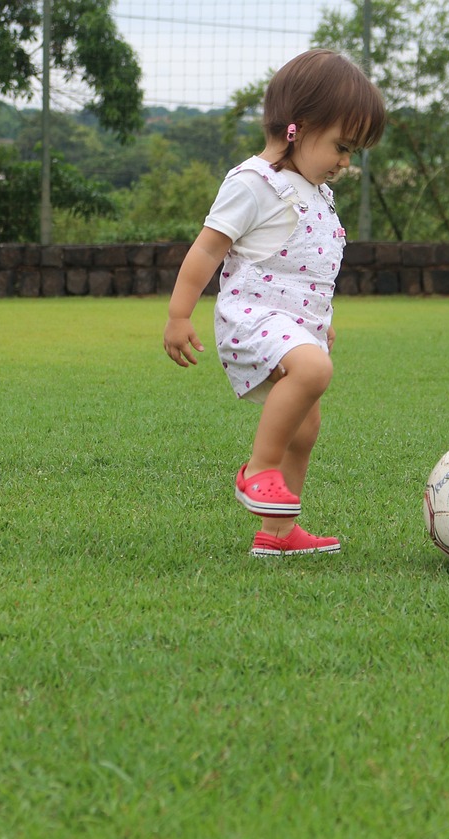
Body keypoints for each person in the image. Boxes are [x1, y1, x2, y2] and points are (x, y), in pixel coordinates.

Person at [163, 49, 386, 557]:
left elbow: (308, 266)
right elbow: (207, 250)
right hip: (252, 317)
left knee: (307, 423)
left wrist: (322, 322)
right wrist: (179, 315)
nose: (346, 162)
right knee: (313, 374)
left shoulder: (316, 191)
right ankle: (258, 470)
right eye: (342, 146)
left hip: (295, 323)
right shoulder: (253, 184)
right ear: (297, 128)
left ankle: (278, 533)